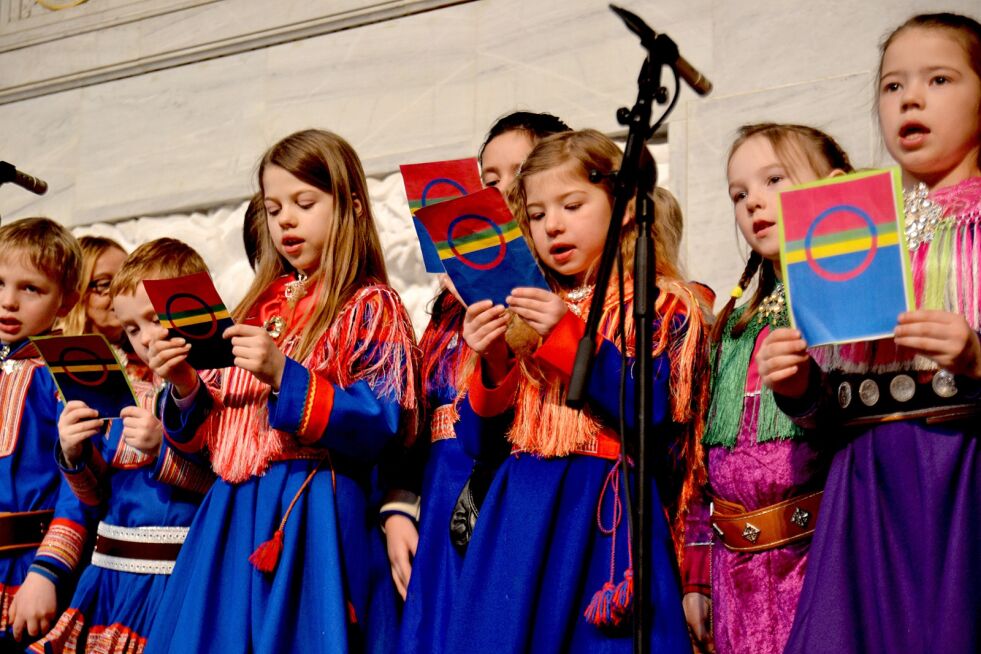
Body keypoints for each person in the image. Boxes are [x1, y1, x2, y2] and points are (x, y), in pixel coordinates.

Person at [144, 129, 418, 653]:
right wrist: (183, 386)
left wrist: (284, 376)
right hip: (231, 515)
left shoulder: (369, 305)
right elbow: (208, 444)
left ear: (353, 208)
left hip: (309, 507)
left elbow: (384, 424)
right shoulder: (255, 306)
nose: (285, 220)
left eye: (304, 202)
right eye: (273, 209)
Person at [760, 13, 981, 653]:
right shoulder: (849, 228)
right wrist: (800, 384)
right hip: (867, 486)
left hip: (962, 471)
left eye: (938, 79)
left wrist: (975, 354)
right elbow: (824, 414)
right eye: (891, 86)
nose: (909, 98)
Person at [444, 129, 708, 653]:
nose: (554, 226)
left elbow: (654, 412)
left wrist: (565, 336)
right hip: (518, 513)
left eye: (572, 205)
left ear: (627, 208)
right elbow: (480, 443)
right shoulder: (523, 303)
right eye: (537, 215)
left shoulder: (661, 304)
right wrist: (493, 358)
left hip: (602, 513)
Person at [387, 110, 571, 654]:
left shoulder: (558, 295)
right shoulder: (446, 305)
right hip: (441, 490)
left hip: (516, 487)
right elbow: (416, 405)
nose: (501, 189)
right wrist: (399, 502)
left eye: (518, 173)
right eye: (489, 178)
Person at [681, 124, 852, 654]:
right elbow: (701, 458)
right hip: (737, 577)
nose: (754, 201)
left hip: (822, 564)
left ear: (836, 186)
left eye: (774, 180)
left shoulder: (850, 303)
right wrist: (697, 567)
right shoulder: (733, 323)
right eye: (739, 194)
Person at [31, 237, 216, 654]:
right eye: (132, 328)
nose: (146, 338)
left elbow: (223, 484)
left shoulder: (215, 388)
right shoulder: (119, 390)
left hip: (172, 578)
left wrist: (160, 450)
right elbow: (96, 498)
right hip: (108, 576)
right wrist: (75, 455)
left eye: (155, 319)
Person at [0, 218, 95, 646]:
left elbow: (79, 488)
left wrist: (47, 573)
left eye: (30, 289)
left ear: (66, 300)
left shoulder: (69, 375)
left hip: (23, 573)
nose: (8, 302)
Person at [59, 236, 128, 344]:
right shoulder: (49, 354)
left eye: (128, 281)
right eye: (105, 284)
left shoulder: (152, 350)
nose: (123, 291)